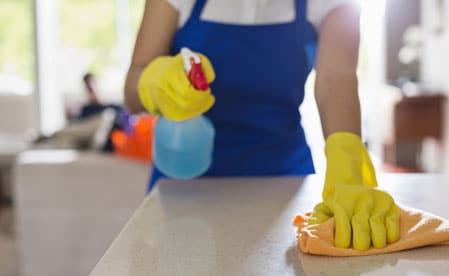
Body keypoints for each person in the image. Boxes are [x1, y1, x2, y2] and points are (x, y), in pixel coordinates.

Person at [125, 0, 400, 251]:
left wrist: (347, 161)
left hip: (285, 182)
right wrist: (156, 82)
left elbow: (336, 79)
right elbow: (132, 91)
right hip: (185, 180)